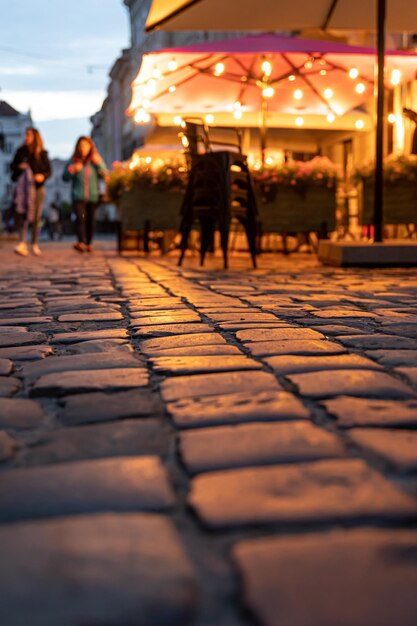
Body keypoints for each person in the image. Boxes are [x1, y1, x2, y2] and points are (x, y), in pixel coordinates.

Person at [10, 127, 51, 256]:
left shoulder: (42, 153)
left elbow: (48, 171)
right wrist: (19, 167)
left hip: (38, 189)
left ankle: (34, 243)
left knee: (36, 216)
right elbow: (13, 167)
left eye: (29, 135)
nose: (26, 137)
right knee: (22, 214)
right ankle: (22, 242)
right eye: (25, 135)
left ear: (35, 137)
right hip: (23, 189)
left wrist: (42, 176)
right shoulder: (20, 152)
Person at [63, 136, 107, 253]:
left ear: (90, 147)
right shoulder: (73, 161)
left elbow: (105, 175)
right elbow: (65, 177)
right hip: (78, 196)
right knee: (81, 218)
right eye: (81, 146)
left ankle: (89, 243)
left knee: (91, 220)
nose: (83, 148)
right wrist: (72, 170)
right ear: (78, 147)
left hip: (93, 196)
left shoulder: (95, 161)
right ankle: (81, 242)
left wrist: (99, 164)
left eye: (86, 146)